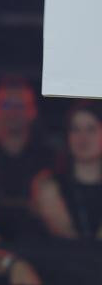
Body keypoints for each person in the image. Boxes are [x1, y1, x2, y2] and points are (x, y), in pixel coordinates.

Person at [0, 76, 55, 242]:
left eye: (20, 105)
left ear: (32, 111)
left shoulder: (50, 158)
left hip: (40, 242)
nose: (13, 112)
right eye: (6, 105)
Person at [31, 102, 102, 243]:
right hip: (62, 255)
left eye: (91, 129)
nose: (82, 138)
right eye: (75, 129)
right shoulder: (48, 185)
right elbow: (62, 236)